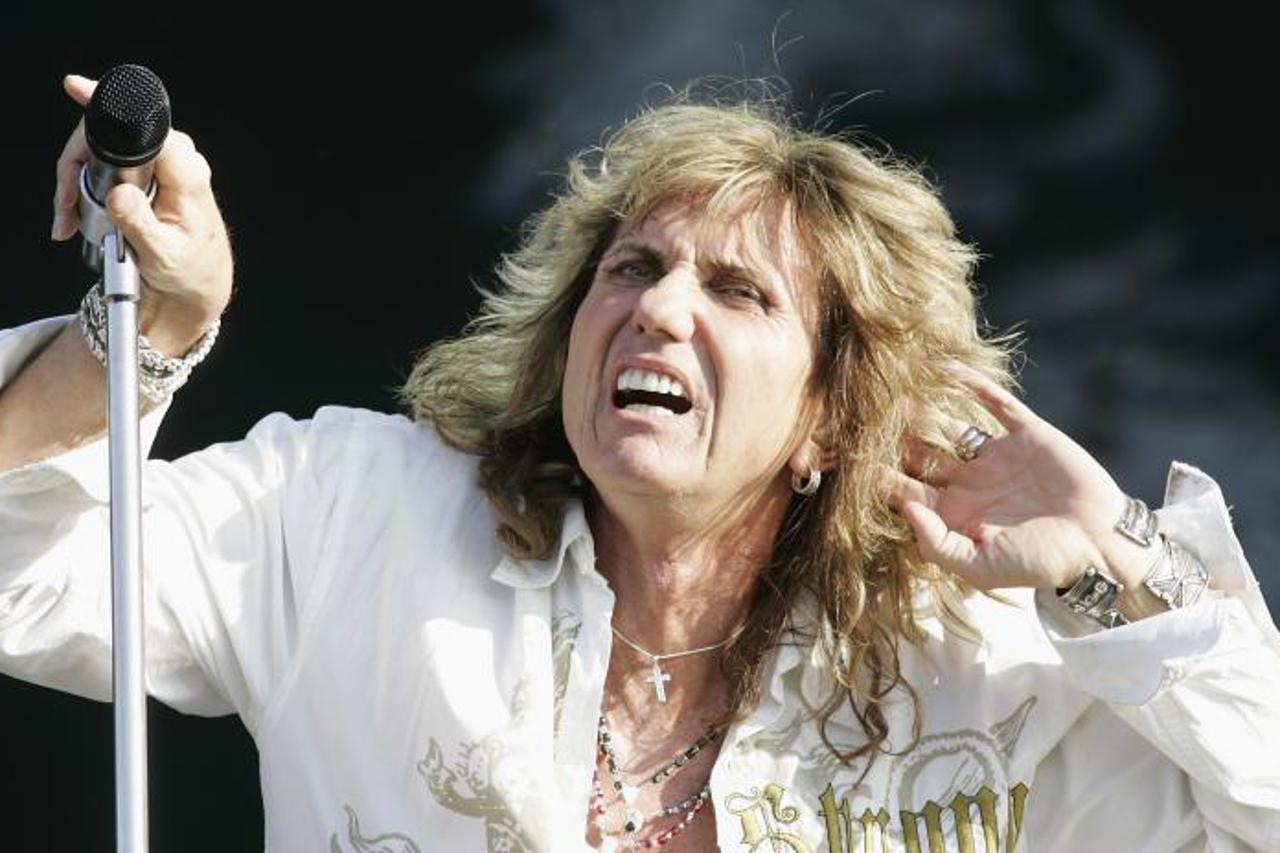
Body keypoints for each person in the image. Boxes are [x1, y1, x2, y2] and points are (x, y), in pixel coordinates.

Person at [1, 73, 1277, 852]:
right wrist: (146, 332)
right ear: (570, 337)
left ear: (833, 414)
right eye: (632, 269)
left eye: (736, 290)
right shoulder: (346, 517)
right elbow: (28, 574)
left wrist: (1120, 565)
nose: (662, 311)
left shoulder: (981, 672)